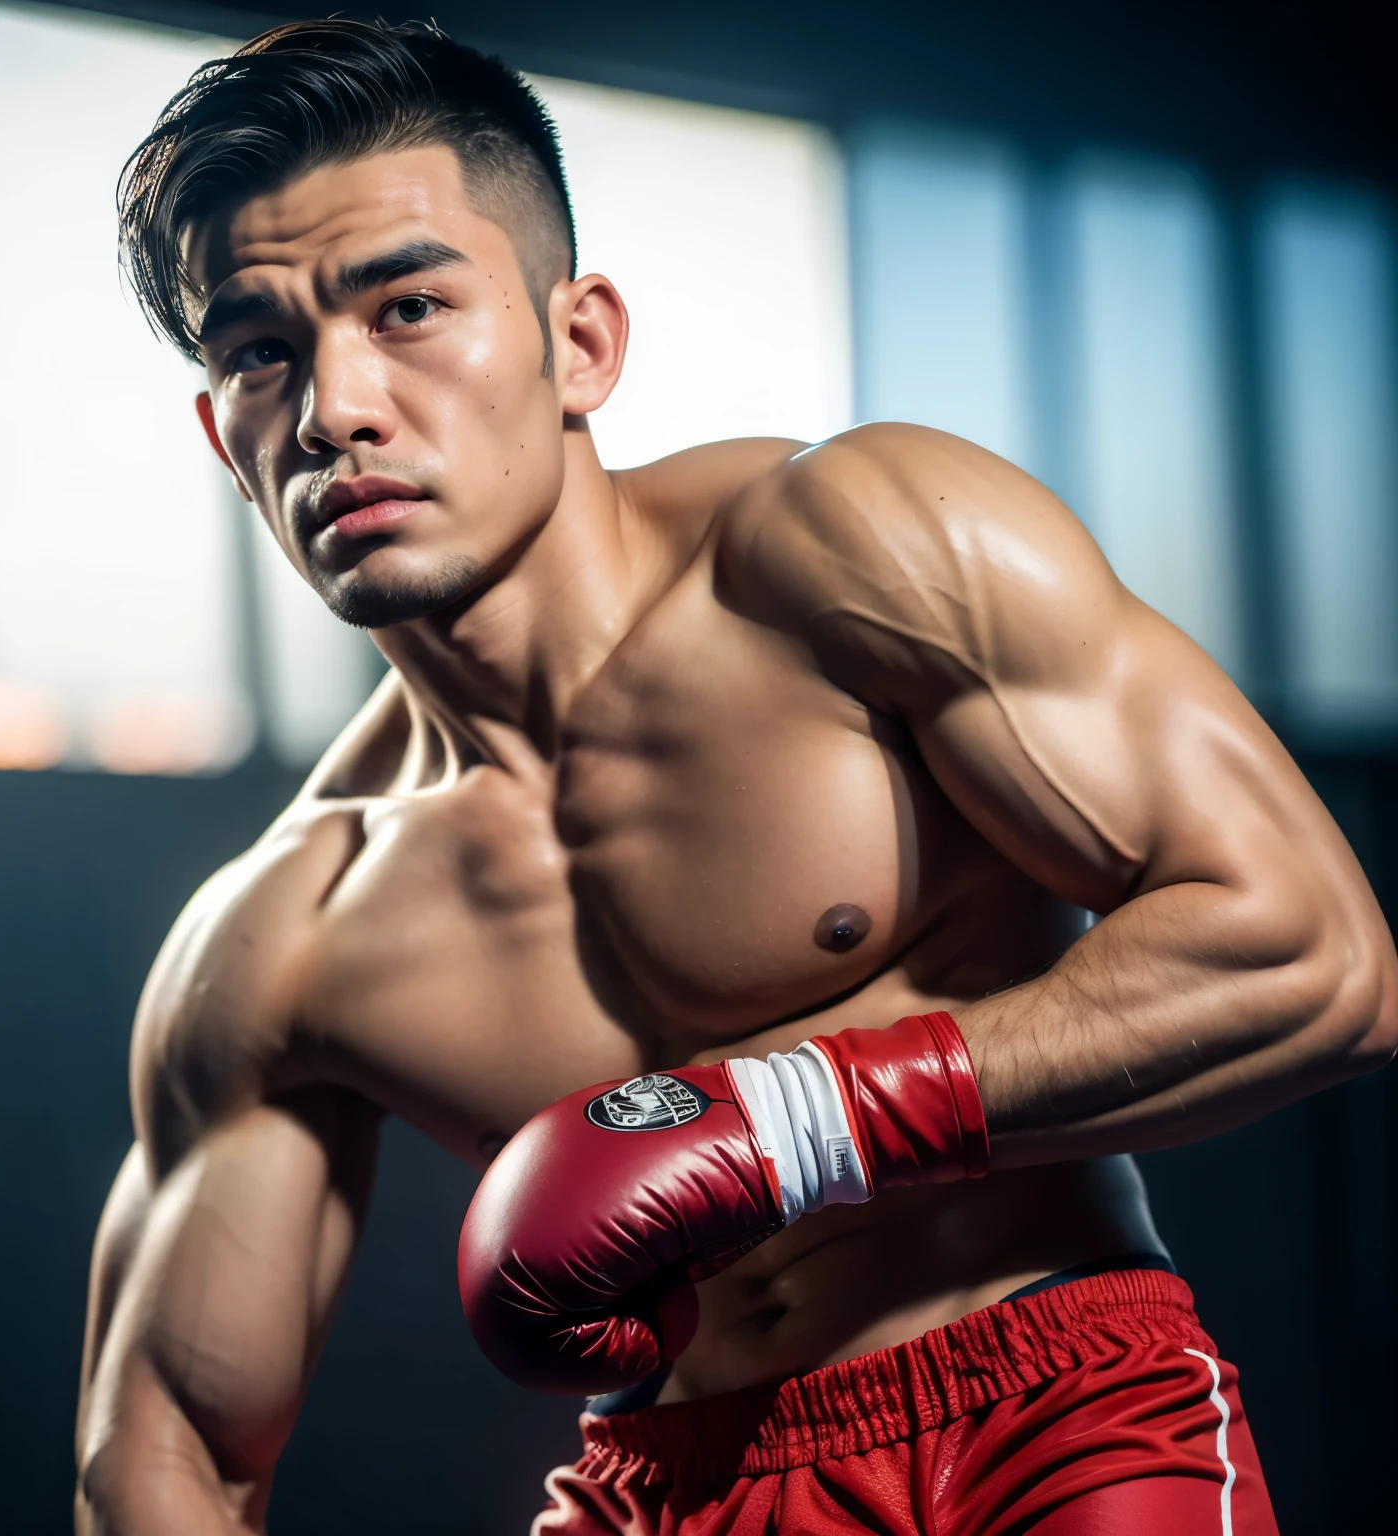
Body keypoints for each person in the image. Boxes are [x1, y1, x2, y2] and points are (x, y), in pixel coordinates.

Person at [74, 18, 1396, 1535]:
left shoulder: (859, 551)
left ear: (581, 345)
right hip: (666, 1491)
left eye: (412, 307)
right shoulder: (286, 935)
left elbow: (1319, 957)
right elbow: (162, 1446)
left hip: (1043, 1420)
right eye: (259, 353)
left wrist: (784, 1121)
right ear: (220, 437)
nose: (336, 410)